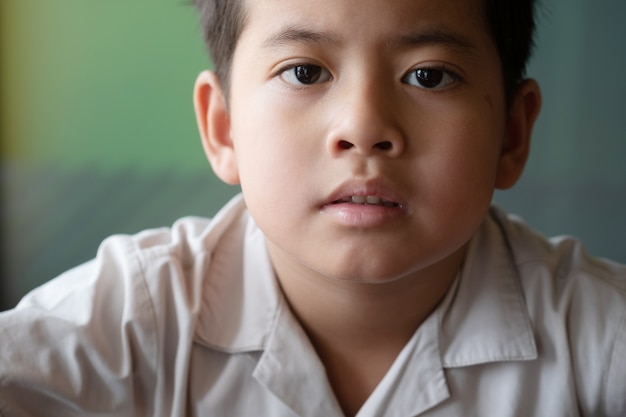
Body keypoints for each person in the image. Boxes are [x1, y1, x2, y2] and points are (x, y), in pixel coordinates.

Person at [1, 0, 625, 415]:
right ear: (223, 128)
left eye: (429, 76)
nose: (363, 127)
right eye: (304, 72)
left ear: (511, 136)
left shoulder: (597, 340)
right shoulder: (130, 324)